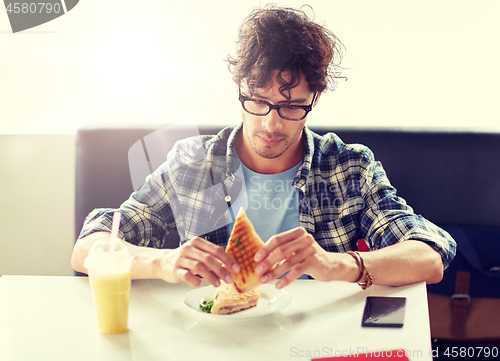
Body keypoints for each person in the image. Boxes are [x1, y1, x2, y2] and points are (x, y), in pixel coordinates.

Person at [72, 5, 456, 290]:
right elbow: (88, 247)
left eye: (291, 106)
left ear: (314, 100)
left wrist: (338, 265)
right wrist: (162, 262)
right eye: (258, 100)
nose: (272, 124)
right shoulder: (192, 161)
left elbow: (428, 254)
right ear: (240, 89)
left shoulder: (350, 167)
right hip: (217, 337)